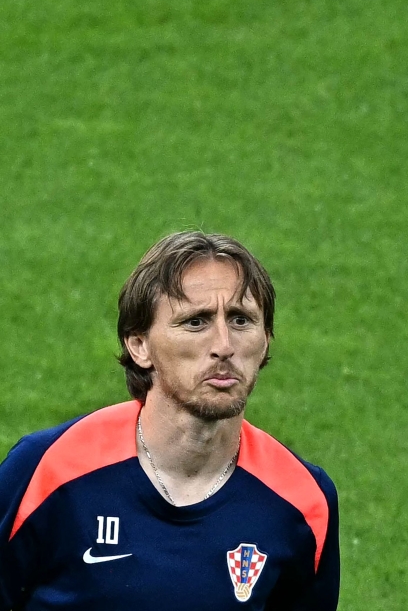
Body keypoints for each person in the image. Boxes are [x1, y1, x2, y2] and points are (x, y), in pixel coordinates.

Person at [0, 232, 339, 610]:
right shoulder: (47, 469)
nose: (224, 345)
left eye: (242, 320)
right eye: (196, 322)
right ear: (139, 345)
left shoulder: (302, 500)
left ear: (266, 341)